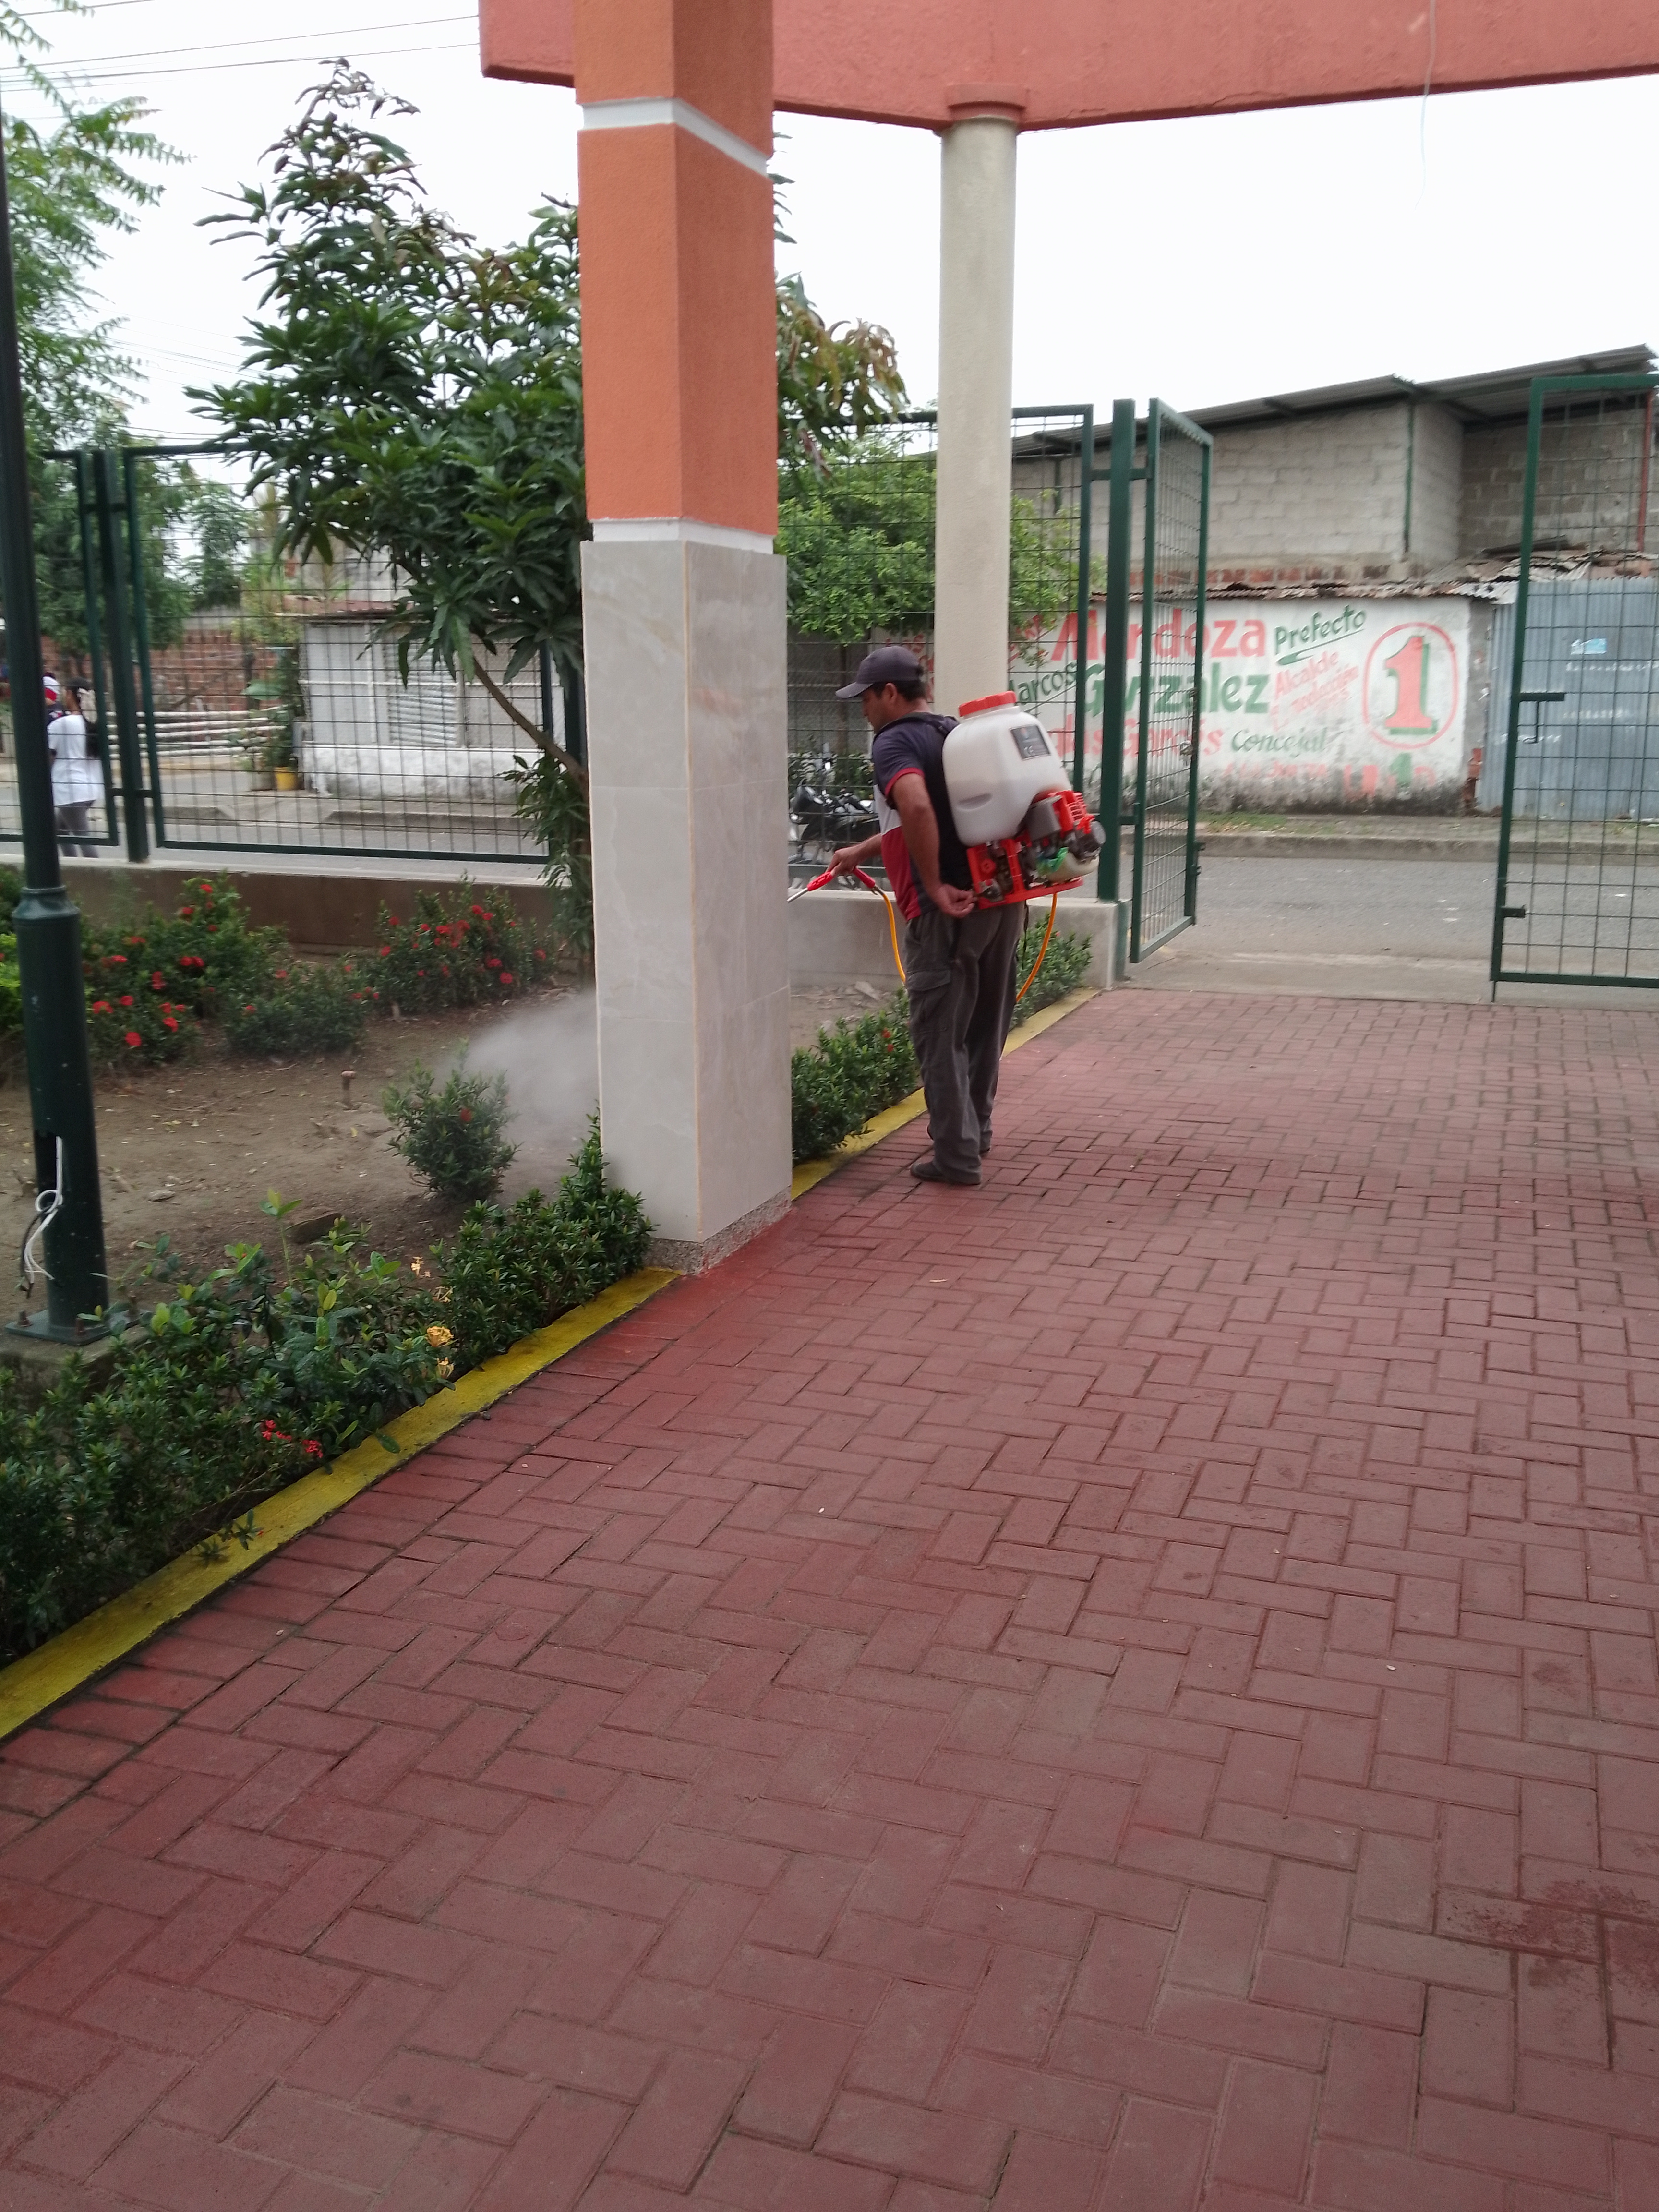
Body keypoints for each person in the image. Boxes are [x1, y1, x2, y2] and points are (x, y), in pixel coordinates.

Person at [828, 644, 1022, 1186]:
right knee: (984, 1027)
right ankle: (975, 1132)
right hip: (999, 899)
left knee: (939, 1033)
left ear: (890, 693)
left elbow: (915, 805)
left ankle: (956, 1157)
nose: (863, 709)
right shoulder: (951, 733)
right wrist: (862, 851)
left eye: (865, 698)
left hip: (948, 912)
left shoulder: (893, 741)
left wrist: (934, 886)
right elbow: (928, 816)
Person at [46, 675, 102, 857]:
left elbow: (49, 756)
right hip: (90, 788)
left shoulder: (61, 724)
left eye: (64, 692)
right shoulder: (93, 723)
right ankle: (73, 865)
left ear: (70, 694)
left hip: (70, 788)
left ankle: (94, 871)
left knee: (83, 838)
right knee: (60, 829)